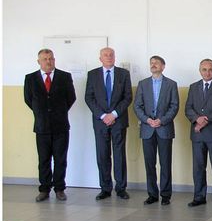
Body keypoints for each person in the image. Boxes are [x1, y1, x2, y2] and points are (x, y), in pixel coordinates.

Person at [24, 49, 76, 202]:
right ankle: (44, 189)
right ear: (39, 61)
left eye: (51, 58)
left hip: (61, 126)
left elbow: (71, 98)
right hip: (42, 126)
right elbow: (28, 99)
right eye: (45, 59)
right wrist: (42, 113)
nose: (48, 61)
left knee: (60, 159)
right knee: (44, 160)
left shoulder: (64, 77)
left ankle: (60, 189)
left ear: (54, 59)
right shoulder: (30, 78)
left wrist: (58, 112)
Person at [84, 47, 133, 200]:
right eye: (105, 55)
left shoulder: (124, 74)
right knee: (102, 155)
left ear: (115, 57)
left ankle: (121, 188)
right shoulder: (92, 74)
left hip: (119, 120)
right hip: (100, 122)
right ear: (100, 58)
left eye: (111, 54)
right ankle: (105, 188)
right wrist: (103, 115)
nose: (109, 57)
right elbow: (89, 98)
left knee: (119, 155)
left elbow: (128, 97)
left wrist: (114, 114)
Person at [134, 56, 179, 206]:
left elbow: (174, 106)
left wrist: (161, 120)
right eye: (151, 63)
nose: (153, 65)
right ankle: (152, 194)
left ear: (163, 66)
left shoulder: (171, 84)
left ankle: (165, 194)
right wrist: (147, 120)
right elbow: (137, 106)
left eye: (156, 63)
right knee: (149, 163)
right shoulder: (143, 84)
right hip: (147, 129)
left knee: (165, 163)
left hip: (164, 128)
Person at [185, 58, 212, 208]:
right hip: (197, 134)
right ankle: (199, 196)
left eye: (210, 70)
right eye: (204, 69)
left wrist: (203, 121)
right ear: (200, 71)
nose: (207, 72)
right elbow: (188, 108)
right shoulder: (193, 87)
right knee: (198, 167)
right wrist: (197, 119)